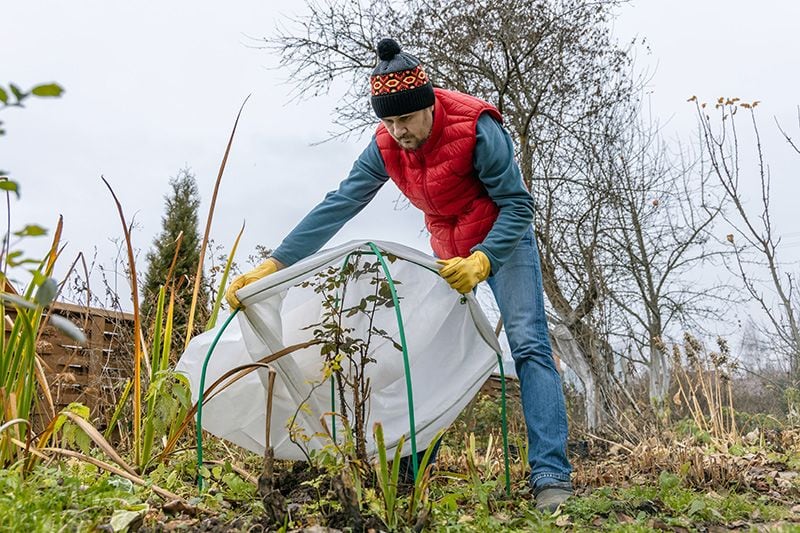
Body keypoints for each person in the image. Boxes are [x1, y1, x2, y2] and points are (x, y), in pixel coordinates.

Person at [226, 38, 573, 513]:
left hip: (502, 243)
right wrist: (277, 263)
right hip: (448, 249)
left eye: (405, 118)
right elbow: (340, 203)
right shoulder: (386, 144)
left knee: (529, 344)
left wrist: (484, 259)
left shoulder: (477, 128)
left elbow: (519, 204)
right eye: (388, 121)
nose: (398, 130)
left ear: (428, 103)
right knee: (431, 352)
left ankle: (551, 476)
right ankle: (413, 466)